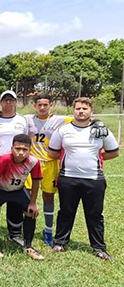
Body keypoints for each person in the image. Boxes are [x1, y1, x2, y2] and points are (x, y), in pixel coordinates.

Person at [48, 97, 119, 261]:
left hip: (94, 179)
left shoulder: (101, 129)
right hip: (68, 178)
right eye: (78, 108)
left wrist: (96, 158)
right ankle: (60, 243)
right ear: (73, 111)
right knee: (66, 212)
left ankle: (99, 248)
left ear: (91, 111)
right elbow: (53, 152)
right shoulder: (63, 130)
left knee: (95, 214)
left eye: (84, 109)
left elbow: (114, 152)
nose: (81, 111)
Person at [24, 93, 72, 245]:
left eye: (46, 104)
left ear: (51, 105)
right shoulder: (27, 119)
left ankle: (48, 231)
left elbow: (81, 119)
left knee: (48, 197)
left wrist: (96, 123)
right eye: (39, 105)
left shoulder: (59, 120)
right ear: (35, 106)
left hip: (50, 164)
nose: (42, 107)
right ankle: (26, 229)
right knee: (28, 196)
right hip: (31, 164)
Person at [0, 134, 44, 260]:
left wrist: (33, 203)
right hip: (1, 189)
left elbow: (36, 182)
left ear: (30, 150)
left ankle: (28, 246)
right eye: (17, 148)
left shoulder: (33, 161)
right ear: (12, 148)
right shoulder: (4, 159)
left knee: (31, 211)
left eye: (25, 150)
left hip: (18, 190)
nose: (20, 152)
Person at [0, 90, 28, 247]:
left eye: (11, 100)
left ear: (16, 102)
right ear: (1, 103)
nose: (8, 103)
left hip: (17, 165)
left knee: (15, 200)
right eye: (5, 100)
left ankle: (15, 233)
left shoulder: (22, 120)